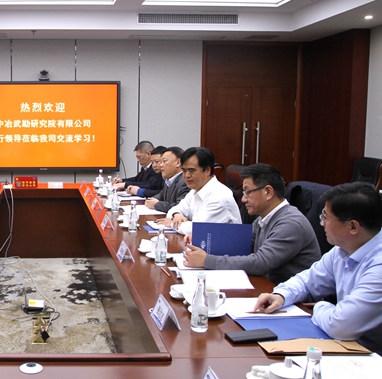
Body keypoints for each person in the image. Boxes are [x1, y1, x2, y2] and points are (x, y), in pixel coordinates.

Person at [254, 182, 382, 354]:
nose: (322, 223)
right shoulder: (342, 250)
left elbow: (340, 326)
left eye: (326, 217)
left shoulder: (378, 266)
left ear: (353, 227)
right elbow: (307, 281)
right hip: (349, 346)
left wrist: (319, 307)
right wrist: (281, 295)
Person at [183, 163, 321, 284]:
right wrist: (201, 238)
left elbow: (260, 263)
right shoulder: (263, 218)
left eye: (248, 192)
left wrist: (206, 260)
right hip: (268, 286)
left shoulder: (290, 224)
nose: (243, 199)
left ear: (268, 192)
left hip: (291, 298)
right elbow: (240, 244)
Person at [162, 147, 241, 235]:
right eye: (184, 171)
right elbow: (174, 209)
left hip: (221, 243)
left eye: (191, 171)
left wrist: (172, 224)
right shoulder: (195, 191)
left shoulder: (219, 196)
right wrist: (177, 215)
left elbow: (197, 229)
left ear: (207, 170)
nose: (186, 175)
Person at [144, 147, 190, 213]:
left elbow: (180, 207)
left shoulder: (185, 181)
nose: (161, 165)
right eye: (161, 162)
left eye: (164, 161)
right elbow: (161, 195)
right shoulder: (169, 179)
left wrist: (157, 204)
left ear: (178, 163)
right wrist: (152, 199)